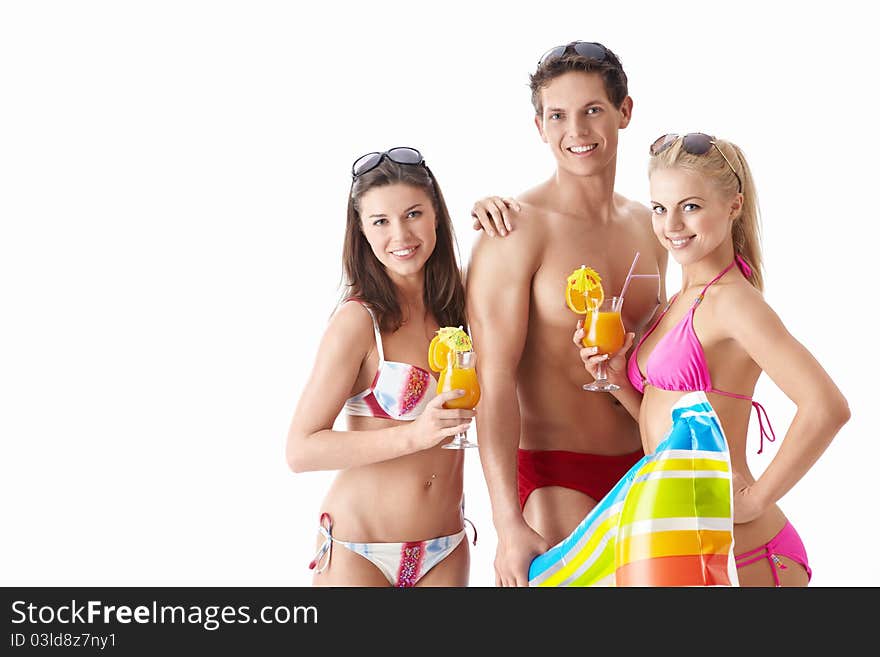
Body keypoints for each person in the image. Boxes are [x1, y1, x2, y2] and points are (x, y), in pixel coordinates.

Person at [573, 132, 850, 585]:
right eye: (660, 209)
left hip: (747, 552)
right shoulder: (678, 301)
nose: (672, 225)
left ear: (734, 206)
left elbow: (827, 406)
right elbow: (663, 432)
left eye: (691, 206)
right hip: (688, 543)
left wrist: (757, 500)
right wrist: (620, 379)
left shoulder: (733, 302)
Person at [466, 42, 668, 587]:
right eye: (558, 115)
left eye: (592, 110)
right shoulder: (513, 232)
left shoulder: (652, 227)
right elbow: (493, 379)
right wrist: (507, 524)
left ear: (624, 112)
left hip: (646, 464)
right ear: (540, 126)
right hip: (555, 475)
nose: (575, 130)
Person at [285, 147, 477, 587]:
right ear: (363, 232)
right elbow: (300, 449)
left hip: (446, 548)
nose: (400, 234)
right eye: (381, 222)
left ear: (436, 216)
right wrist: (414, 434)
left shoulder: (462, 306)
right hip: (359, 551)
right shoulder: (358, 321)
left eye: (413, 214)